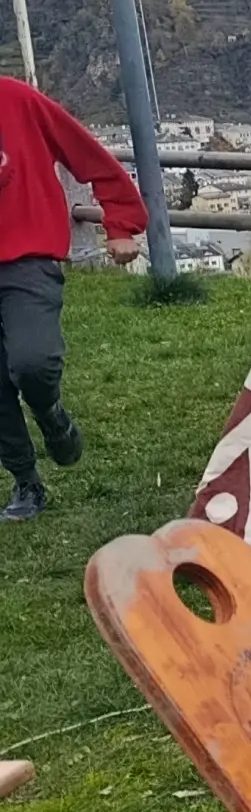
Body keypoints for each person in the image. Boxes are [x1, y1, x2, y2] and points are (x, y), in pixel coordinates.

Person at [0, 72, 148, 522]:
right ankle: (26, 481)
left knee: (32, 362)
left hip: (26, 259)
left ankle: (48, 410)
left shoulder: (16, 100)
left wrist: (120, 221)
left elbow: (86, 153)